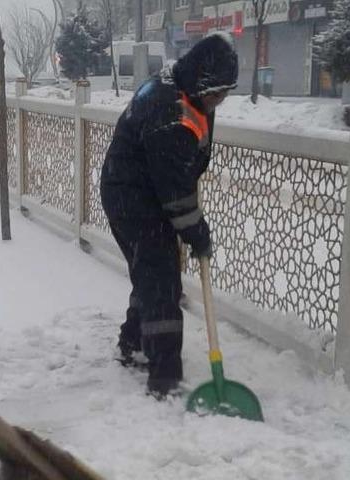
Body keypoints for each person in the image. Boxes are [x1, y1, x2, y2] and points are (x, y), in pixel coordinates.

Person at [100, 33, 239, 398]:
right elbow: (175, 192)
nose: (219, 101)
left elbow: (179, 175)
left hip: (139, 192)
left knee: (152, 274)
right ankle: (164, 377)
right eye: (216, 93)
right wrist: (197, 233)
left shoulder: (183, 90)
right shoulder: (170, 113)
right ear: (200, 81)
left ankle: (133, 345)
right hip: (134, 199)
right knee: (161, 281)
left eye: (224, 93)